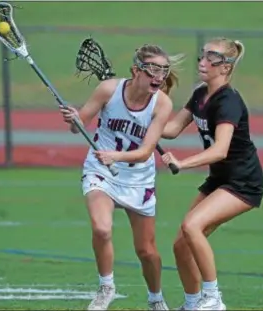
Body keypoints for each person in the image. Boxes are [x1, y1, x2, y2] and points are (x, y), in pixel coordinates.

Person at [59, 44, 183, 310]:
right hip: (100, 170)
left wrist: (115, 157)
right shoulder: (108, 90)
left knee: (146, 251)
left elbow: (146, 151)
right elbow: (76, 127)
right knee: (102, 228)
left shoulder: (162, 103)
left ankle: (156, 299)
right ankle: (106, 287)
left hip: (138, 177)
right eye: (153, 70)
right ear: (136, 70)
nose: (159, 77)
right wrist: (74, 118)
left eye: (164, 70)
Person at [161, 37, 263, 311]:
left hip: (243, 182)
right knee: (181, 246)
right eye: (203, 55)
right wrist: (139, 113)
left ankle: (213, 297)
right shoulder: (199, 94)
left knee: (192, 226)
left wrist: (182, 164)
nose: (203, 62)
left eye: (213, 58)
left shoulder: (228, 101)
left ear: (226, 67)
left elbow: (220, 150)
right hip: (219, 180)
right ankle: (194, 304)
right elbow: (170, 130)